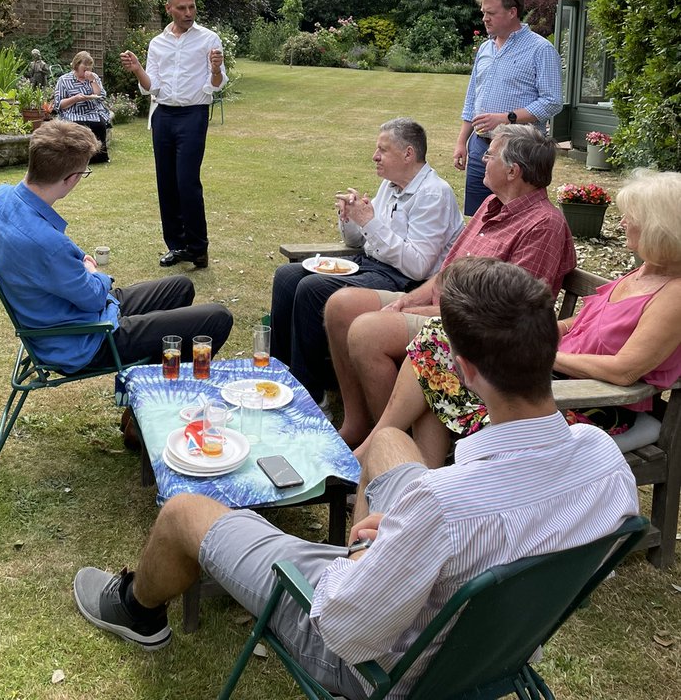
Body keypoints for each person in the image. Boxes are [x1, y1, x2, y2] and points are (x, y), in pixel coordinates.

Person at [72, 256, 638, 698]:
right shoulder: (602, 459)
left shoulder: (440, 507)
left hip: (386, 665)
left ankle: (137, 610)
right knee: (390, 441)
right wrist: (400, 535)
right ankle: (381, 556)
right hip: (499, 642)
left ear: (463, 370)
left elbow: (344, 631)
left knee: (185, 510)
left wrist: (372, 558)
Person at [397, 168, 681, 464]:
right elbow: (585, 324)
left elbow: (624, 370)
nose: (622, 223)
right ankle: (424, 472)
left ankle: (407, 461)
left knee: (440, 357)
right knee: (440, 340)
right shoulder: (644, 272)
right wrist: (526, 333)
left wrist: (538, 354)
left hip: (592, 405)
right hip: (548, 383)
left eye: (631, 217)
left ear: (659, 227)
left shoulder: (674, 295)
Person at [325, 124, 575, 447]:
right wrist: (406, 302)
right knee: (340, 306)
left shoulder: (543, 226)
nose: (481, 160)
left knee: (366, 333)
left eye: (489, 154)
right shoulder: (491, 206)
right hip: (442, 309)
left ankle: (394, 447)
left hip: (476, 331)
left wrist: (415, 308)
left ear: (512, 171)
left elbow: (508, 314)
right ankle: (358, 425)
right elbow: (446, 273)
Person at [0, 121, 232, 373]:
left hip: (66, 312)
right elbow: (93, 297)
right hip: (82, 338)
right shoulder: (49, 245)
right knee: (217, 317)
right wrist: (90, 271)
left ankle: (145, 384)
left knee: (180, 286)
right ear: (72, 178)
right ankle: (157, 393)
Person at [270, 118, 463, 402]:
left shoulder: (434, 193)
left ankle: (310, 392)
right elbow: (357, 242)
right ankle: (281, 373)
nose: (375, 156)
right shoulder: (390, 185)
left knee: (312, 288)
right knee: (287, 277)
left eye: (382, 150)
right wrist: (350, 218)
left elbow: (419, 265)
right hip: (371, 265)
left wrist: (371, 223)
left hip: (406, 282)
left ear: (408, 154)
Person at [120, 0, 226, 269]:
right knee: (166, 183)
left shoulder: (208, 39)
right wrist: (137, 69)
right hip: (163, 116)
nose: (188, 13)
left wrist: (216, 69)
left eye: (191, 7)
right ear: (168, 9)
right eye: (182, 8)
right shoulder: (158, 43)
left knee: (187, 182)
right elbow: (151, 86)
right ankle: (177, 246)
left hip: (193, 115)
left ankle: (198, 247)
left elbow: (216, 84)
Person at [454, 0, 562, 216]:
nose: (485, 19)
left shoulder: (540, 50)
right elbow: (472, 97)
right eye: (483, 12)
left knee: (516, 218)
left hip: (519, 153)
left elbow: (552, 100)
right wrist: (462, 142)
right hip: (481, 147)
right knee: (478, 218)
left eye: (491, 13)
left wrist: (507, 118)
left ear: (513, 12)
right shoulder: (485, 48)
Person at [54, 51, 110, 164]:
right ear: (76, 65)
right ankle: (76, 159)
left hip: (92, 111)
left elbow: (101, 96)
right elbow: (59, 104)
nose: (88, 69)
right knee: (77, 126)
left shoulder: (94, 78)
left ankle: (98, 158)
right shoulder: (64, 80)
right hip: (72, 112)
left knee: (99, 125)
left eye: (90, 66)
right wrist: (75, 99)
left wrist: (92, 81)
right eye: (85, 66)